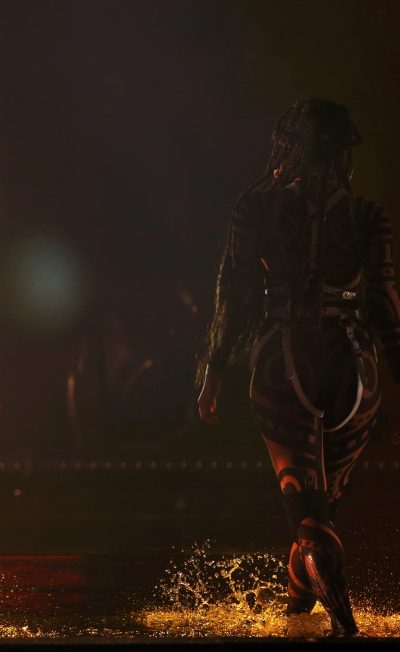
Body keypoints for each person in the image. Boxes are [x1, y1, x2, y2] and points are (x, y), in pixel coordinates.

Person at [196, 98, 400, 636]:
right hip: (357, 369)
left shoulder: (257, 209)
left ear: (288, 147)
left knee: (310, 513)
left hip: (281, 360)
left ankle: (345, 628)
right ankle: (297, 616)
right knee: (319, 508)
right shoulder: (367, 215)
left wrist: (214, 369)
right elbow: (384, 305)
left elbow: (236, 294)